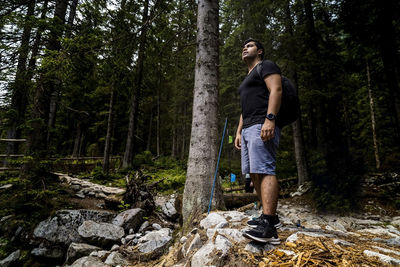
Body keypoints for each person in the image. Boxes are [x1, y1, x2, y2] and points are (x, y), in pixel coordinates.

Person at [234, 39, 283, 244]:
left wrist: (270, 119)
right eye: (244, 46)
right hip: (247, 129)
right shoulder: (248, 77)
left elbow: (276, 90)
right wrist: (238, 132)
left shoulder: (266, 66)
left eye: (250, 45)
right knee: (253, 172)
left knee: (265, 169)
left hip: (262, 124)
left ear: (260, 51)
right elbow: (244, 109)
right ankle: (268, 216)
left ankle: (269, 227)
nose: (245, 48)